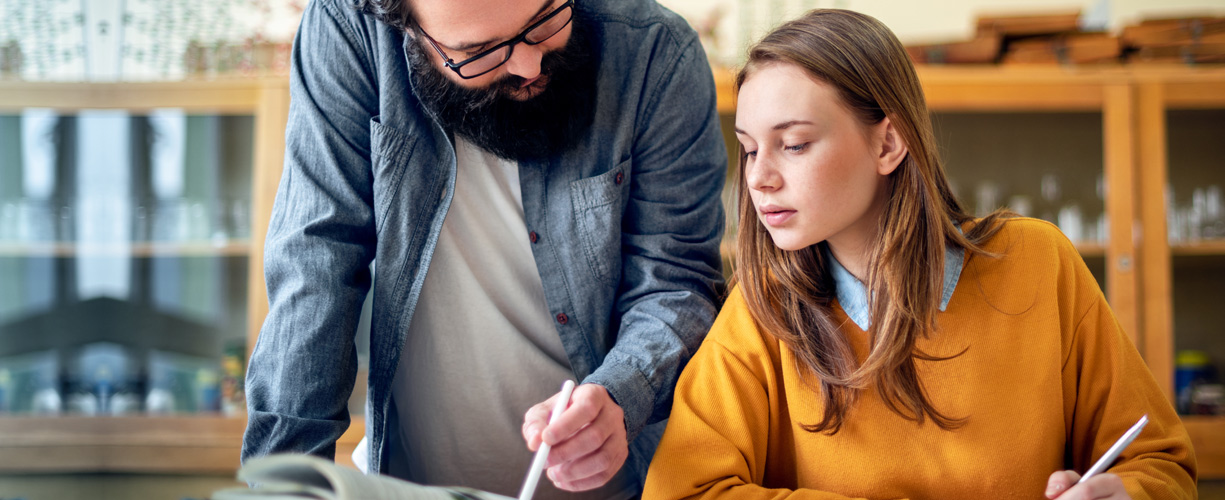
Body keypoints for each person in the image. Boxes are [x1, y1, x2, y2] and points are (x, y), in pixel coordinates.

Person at [643, 9, 1197, 500]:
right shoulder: (763, 308)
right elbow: (680, 490)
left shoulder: (1037, 262)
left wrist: (1124, 492)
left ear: (888, 144)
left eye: (793, 145)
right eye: (748, 148)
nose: (759, 178)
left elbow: (1161, 463)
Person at [240, 0, 728, 497]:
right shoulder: (350, 31)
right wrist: (283, 483)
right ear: (406, 28)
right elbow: (317, 261)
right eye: (479, 53)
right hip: (408, 481)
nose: (527, 66)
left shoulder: (655, 51)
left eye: (544, 20)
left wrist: (623, 393)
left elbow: (676, 280)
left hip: (620, 486)